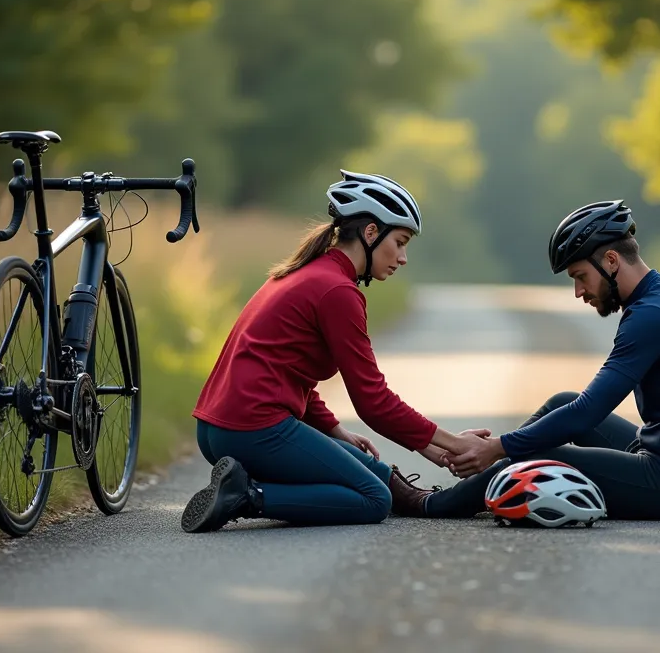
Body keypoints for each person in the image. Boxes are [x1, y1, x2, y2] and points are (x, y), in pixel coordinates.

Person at [390, 200, 660, 522]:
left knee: (538, 456)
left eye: (580, 277)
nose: (579, 292)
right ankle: (484, 477)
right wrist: (493, 451)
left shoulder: (652, 316)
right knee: (561, 403)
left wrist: (497, 448)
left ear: (611, 261)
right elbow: (576, 408)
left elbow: (588, 412)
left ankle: (432, 504)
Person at [179, 169, 488, 533]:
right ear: (371, 232)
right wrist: (453, 442)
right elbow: (373, 401)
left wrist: (339, 433)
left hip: (216, 428)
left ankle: (423, 500)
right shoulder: (337, 291)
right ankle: (246, 496)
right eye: (400, 242)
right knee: (374, 499)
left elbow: (289, 372)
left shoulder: (301, 273)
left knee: (371, 469)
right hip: (254, 430)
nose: (402, 258)